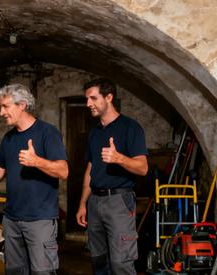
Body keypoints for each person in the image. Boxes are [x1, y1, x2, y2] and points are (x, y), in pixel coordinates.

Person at [0, 83, 69, 275]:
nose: (1, 112)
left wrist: (36, 161)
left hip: (40, 220)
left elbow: (64, 171)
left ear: (22, 105)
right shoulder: (8, 138)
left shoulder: (47, 133)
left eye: (5, 106)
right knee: (15, 271)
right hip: (11, 219)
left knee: (42, 272)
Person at [74, 78, 148, 275]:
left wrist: (119, 158)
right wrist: (83, 203)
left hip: (119, 201)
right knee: (99, 261)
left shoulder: (130, 128)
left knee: (121, 263)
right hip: (95, 202)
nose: (88, 103)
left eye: (93, 98)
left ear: (109, 97)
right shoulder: (94, 133)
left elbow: (143, 168)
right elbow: (90, 170)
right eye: (87, 99)